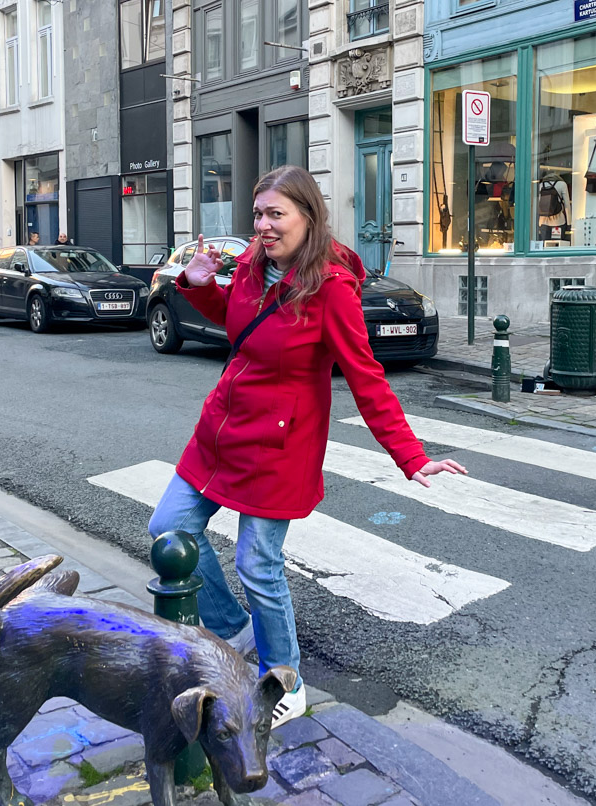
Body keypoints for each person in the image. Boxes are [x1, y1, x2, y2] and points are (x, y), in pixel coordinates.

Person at [148, 165, 467, 728]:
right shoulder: (249, 265)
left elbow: (367, 378)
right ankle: (228, 631)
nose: (264, 226)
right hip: (221, 430)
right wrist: (198, 287)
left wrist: (411, 457)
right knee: (168, 528)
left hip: (280, 447)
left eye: (277, 214)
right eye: (258, 214)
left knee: (257, 562)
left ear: (308, 217)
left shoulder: (332, 289)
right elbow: (238, 323)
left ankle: (285, 680)